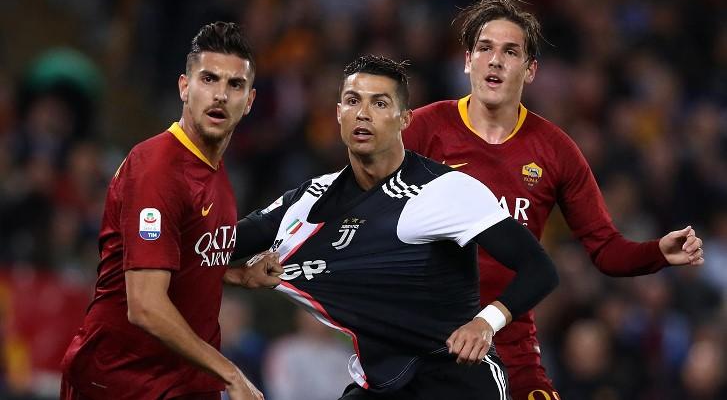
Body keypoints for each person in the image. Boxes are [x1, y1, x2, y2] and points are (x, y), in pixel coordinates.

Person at [401, 0, 706, 399]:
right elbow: (358, 204)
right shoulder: (423, 129)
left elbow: (605, 249)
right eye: (485, 48)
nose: (495, 60)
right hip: (423, 339)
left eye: (510, 52)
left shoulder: (555, 150)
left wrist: (656, 252)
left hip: (508, 343)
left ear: (530, 70)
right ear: (467, 60)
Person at [233, 55, 559, 400]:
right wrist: (236, 276)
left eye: (380, 103)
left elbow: (539, 268)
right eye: (353, 101)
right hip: (382, 384)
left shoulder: (443, 190)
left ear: (405, 119)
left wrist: (486, 323)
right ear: (339, 113)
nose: (363, 113)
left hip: (457, 380)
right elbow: (215, 246)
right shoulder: (308, 200)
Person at [60, 22, 282, 400]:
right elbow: (145, 305)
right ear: (184, 87)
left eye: (235, 85)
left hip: (183, 381)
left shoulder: (214, 168)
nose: (220, 95)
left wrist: (237, 275)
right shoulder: (157, 168)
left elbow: (181, 258)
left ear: (249, 101)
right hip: (120, 381)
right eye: (209, 79)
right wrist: (230, 373)